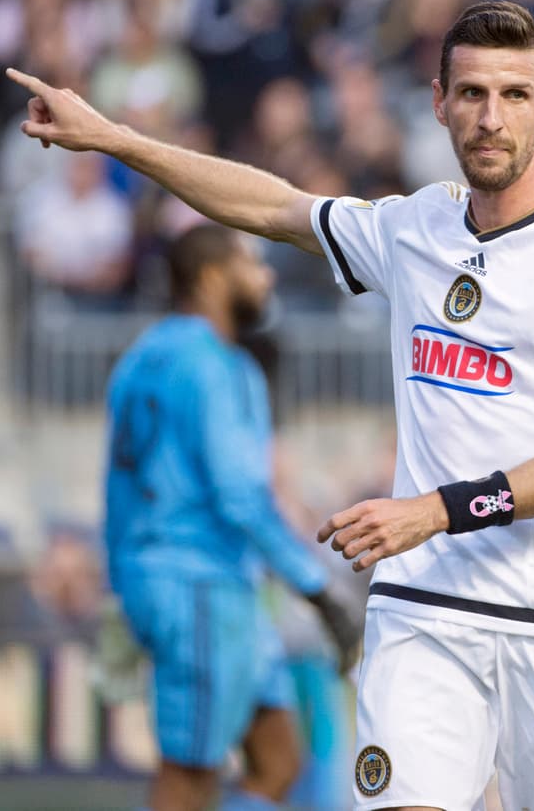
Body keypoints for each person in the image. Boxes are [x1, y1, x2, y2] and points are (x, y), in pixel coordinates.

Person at [11, 0, 534, 810]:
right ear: (439, 103)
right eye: (471, 93)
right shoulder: (414, 226)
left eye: (514, 95)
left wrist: (436, 510)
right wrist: (117, 140)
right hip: (425, 608)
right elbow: (270, 205)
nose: (491, 118)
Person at [102, 224, 363, 811]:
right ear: (213, 277)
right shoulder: (216, 365)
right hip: (199, 584)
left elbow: (115, 485)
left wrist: (123, 587)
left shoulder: (139, 359)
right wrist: (319, 590)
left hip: (188, 582)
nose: (266, 278)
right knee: (188, 774)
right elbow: (240, 496)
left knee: (278, 759)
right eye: (253, 264)